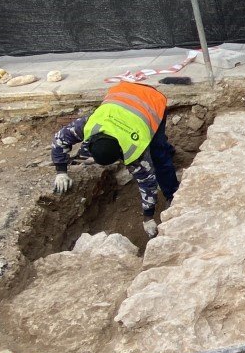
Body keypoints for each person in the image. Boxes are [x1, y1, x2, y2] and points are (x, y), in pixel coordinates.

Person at [50, 81, 179, 238]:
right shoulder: (90, 124)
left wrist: (148, 217)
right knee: (153, 144)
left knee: (158, 154)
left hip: (152, 101)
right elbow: (60, 139)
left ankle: (172, 194)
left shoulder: (135, 149)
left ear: (121, 154)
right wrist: (61, 171)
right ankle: (166, 149)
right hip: (123, 92)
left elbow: (147, 182)